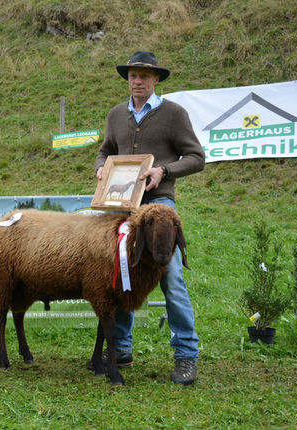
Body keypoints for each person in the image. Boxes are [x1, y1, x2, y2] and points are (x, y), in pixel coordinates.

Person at [93, 50, 205, 385]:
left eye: (144, 76)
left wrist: (164, 170)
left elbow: (197, 157)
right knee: (123, 274)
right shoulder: (116, 115)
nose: (137, 81)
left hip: (160, 208)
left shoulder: (174, 114)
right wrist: (101, 168)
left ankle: (186, 355)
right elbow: (105, 149)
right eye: (132, 76)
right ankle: (123, 348)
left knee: (170, 276)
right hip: (125, 207)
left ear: (156, 80)